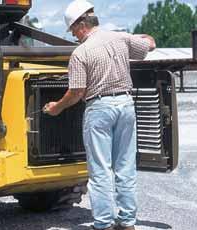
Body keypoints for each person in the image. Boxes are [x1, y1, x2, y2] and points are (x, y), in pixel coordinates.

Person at [44, 0, 156, 229]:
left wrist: (57, 107)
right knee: (125, 167)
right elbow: (150, 45)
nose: (74, 35)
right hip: (125, 105)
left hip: (100, 109)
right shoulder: (119, 38)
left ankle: (103, 223)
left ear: (81, 24)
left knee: (100, 170)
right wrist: (140, 37)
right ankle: (126, 223)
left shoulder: (81, 52)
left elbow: (77, 93)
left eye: (73, 29)